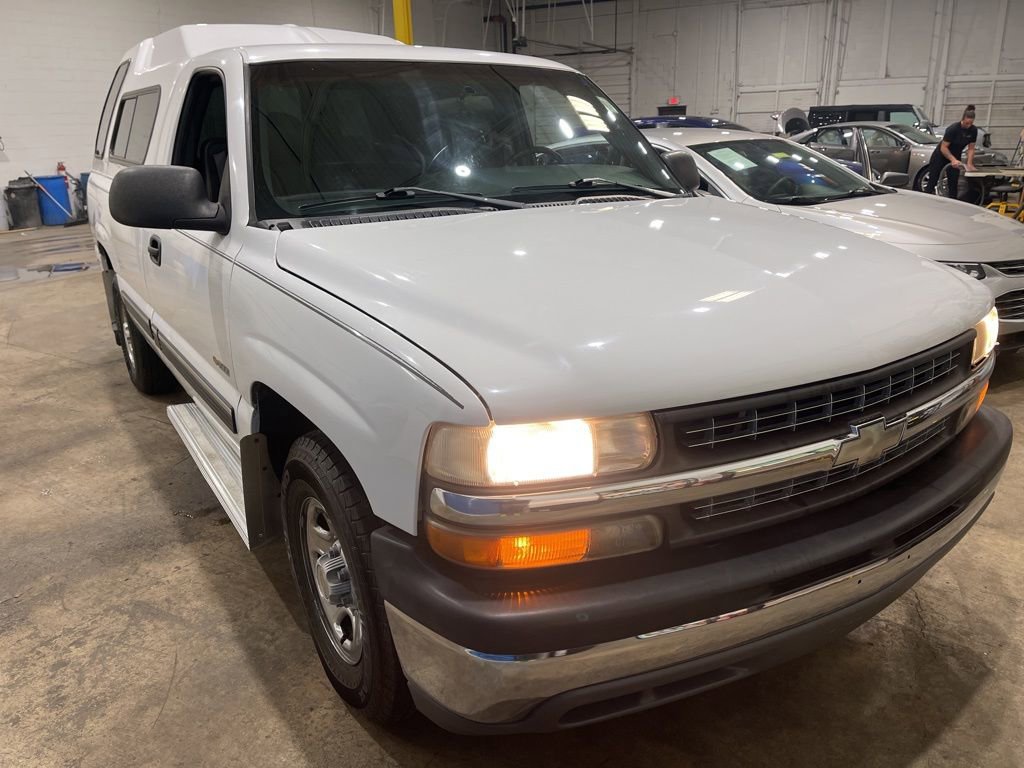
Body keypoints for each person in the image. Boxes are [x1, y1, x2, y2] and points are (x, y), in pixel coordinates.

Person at [924, 105, 978, 197]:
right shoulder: (953, 129)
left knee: (953, 183)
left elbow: (971, 149)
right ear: (963, 119)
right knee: (933, 180)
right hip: (941, 156)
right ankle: (927, 199)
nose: (968, 126)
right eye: (966, 123)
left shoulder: (973, 130)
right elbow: (944, 147)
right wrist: (952, 159)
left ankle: (953, 202)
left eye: (971, 124)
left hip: (956, 155)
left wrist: (969, 164)